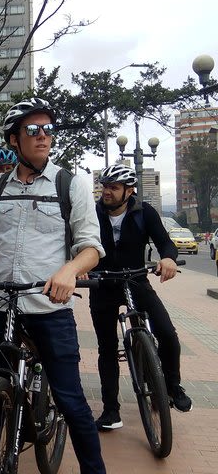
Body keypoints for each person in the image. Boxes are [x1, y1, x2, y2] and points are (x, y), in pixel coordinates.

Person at [0, 97, 107, 474]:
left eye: (48, 129)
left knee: (70, 399)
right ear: (14, 139)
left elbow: (92, 248)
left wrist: (68, 272)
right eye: (33, 129)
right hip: (1, 307)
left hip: (49, 309)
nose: (43, 135)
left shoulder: (70, 184)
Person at [89, 164, 192, 432]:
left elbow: (164, 242)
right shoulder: (92, 212)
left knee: (168, 334)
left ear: (129, 191)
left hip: (136, 280)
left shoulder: (144, 213)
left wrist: (168, 258)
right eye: (104, 186)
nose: (106, 191)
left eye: (113, 187)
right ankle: (111, 410)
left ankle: (172, 386)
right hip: (102, 284)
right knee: (107, 348)